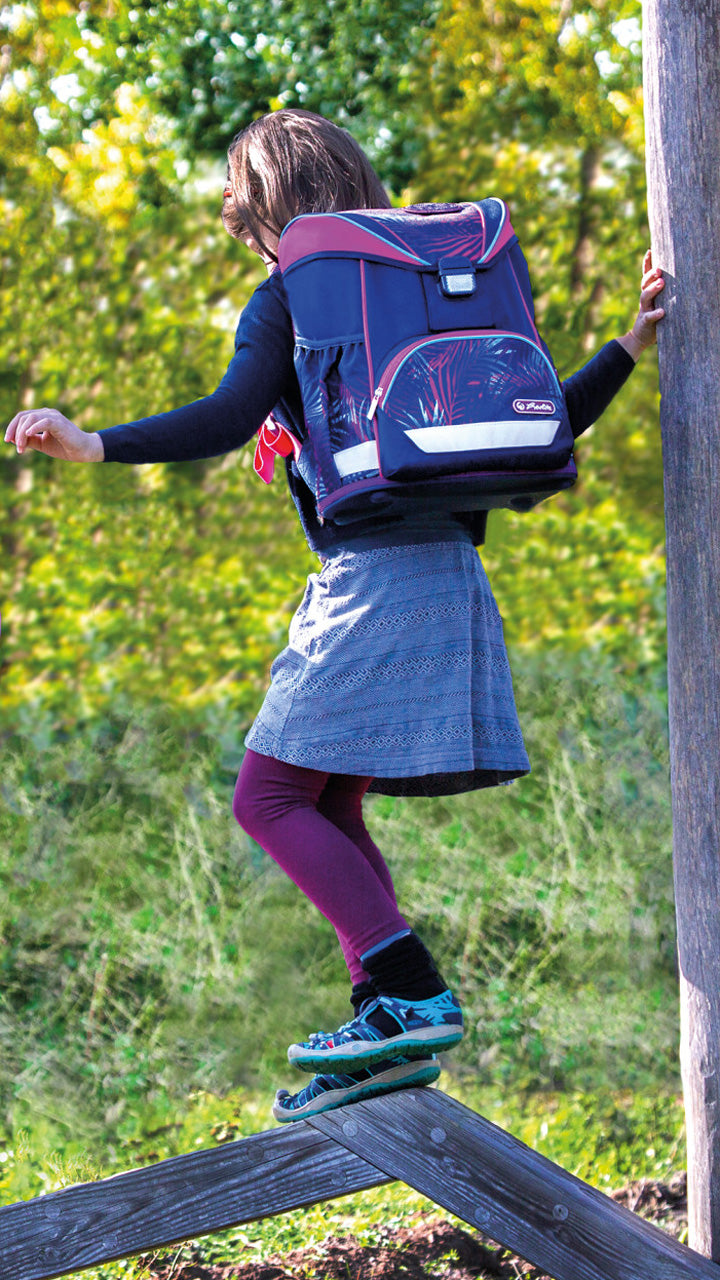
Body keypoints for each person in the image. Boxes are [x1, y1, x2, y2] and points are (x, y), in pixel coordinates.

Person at [5, 108, 665, 1123]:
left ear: (261, 204)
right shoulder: (414, 297)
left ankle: (409, 989)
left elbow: (229, 416)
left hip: (373, 582)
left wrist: (95, 443)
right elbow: (537, 422)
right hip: (443, 572)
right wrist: (625, 343)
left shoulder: (292, 300)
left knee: (266, 799)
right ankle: (383, 1020)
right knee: (330, 804)